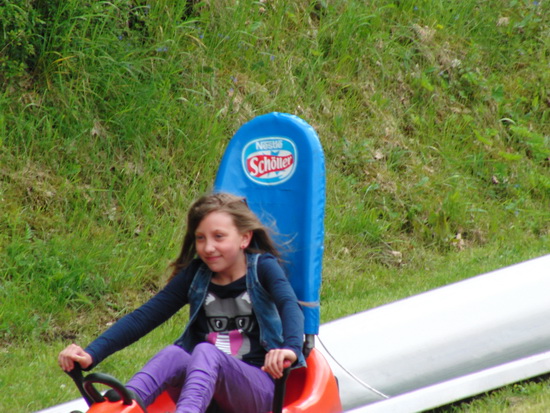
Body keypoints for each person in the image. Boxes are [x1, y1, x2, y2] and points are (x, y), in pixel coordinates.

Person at [58, 192, 305, 413]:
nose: (208, 247)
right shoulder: (196, 275)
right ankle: (123, 406)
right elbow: (145, 316)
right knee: (174, 354)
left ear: (244, 238)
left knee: (206, 351)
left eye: (219, 237)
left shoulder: (263, 269)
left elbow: (288, 304)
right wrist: (91, 353)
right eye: (200, 238)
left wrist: (291, 349)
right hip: (204, 390)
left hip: (257, 392)